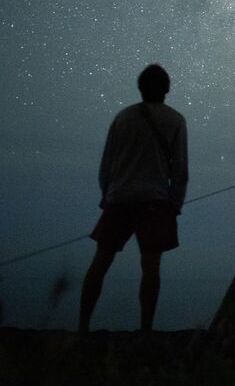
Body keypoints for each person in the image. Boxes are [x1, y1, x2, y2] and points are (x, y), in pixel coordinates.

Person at [79, 64, 188, 333]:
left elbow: (106, 165)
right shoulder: (175, 120)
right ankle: (146, 330)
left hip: (119, 199)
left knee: (100, 263)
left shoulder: (122, 118)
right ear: (167, 89)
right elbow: (180, 171)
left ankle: (82, 327)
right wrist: (175, 203)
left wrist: (108, 195)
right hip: (155, 202)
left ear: (140, 87)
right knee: (150, 267)